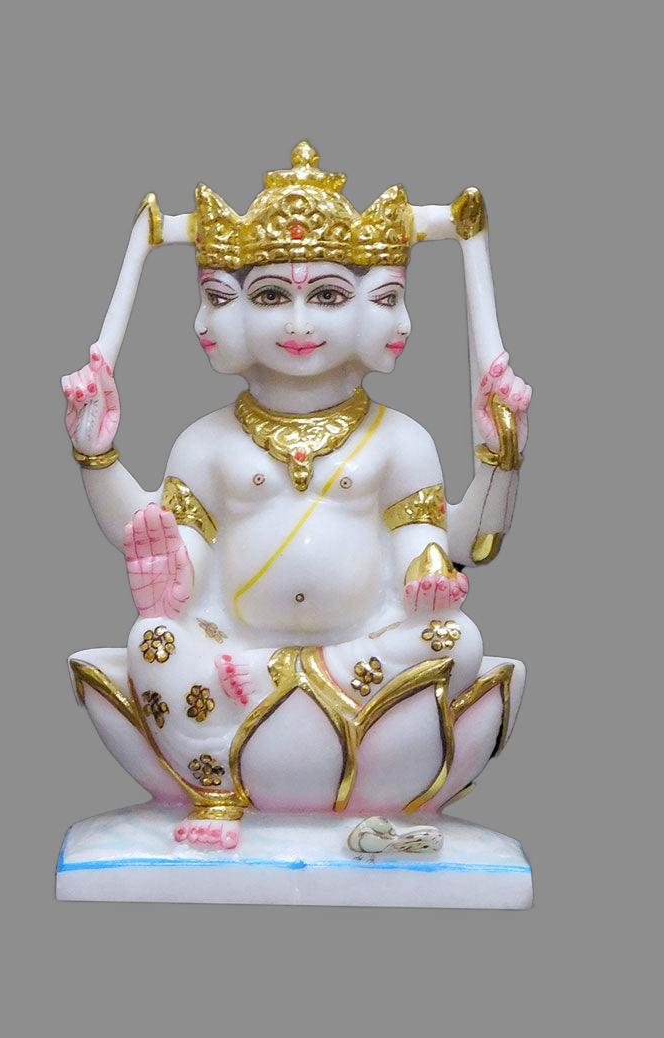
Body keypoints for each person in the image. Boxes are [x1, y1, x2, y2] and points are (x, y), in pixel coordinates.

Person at [63, 145, 529, 849]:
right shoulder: (207, 444)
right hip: (228, 656)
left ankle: (305, 724)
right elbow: (164, 548)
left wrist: (496, 467)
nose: (298, 325)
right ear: (222, 307)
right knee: (151, 641)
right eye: (271, 296)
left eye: (329, 296)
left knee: (455, 640)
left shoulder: (399, 442)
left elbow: (436, 546)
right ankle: (218, 789)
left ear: (382, 305)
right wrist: (98, 458)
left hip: (357, 656)